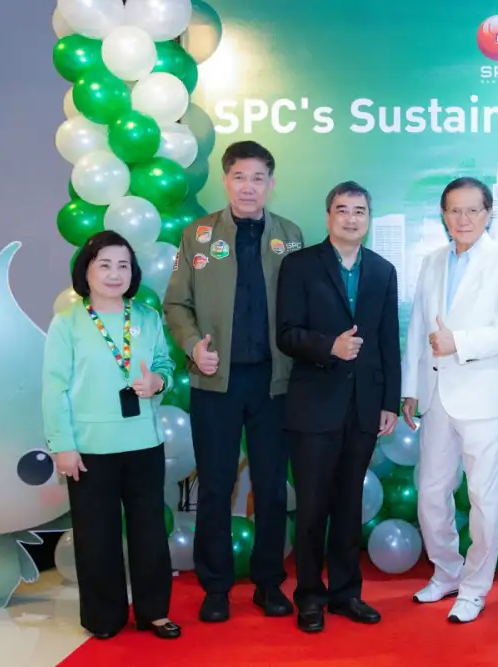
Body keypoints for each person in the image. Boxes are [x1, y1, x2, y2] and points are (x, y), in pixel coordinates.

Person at [162, 140, 303, 623]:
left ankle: (268, 583)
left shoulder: (290, 235)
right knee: (216, 486)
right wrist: (192, 345)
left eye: (258, 178)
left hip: (273, 383)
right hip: (215, 384)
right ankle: (216, 587)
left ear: (270, 184)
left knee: (272, 487)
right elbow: (176, 303)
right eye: (239, 177)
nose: (248, 187)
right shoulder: (197, 234)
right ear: (226, 180)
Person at [402, 176, 498, 624]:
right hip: (435, 395)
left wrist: (460, 341)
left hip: (483, 398)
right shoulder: (433, 261)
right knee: (431, 492)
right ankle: (447, 571)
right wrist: (410, 387)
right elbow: (418, 329)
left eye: (472, 210)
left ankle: (475, 588)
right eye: (454, 210)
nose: (463, 219)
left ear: (488, 213)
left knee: (482, 496)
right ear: (443, 215)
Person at [275, 181, 401, 633]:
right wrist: (330, 346)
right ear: (328, 216)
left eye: (359, 211)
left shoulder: (383, 270)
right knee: (312, 508)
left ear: (368, 218)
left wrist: (389, 401)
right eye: (342, 210)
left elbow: (388, 341)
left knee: (350, 506)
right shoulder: (299, 265)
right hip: (313, 407)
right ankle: (310, 595)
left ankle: (347, 594)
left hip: (364, 408)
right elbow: (286, 333)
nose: (351, 218)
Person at [42, 230, 180, 640]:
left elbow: (165, 365)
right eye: (104, 264)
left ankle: (154, 612)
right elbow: (54, 389)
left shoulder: (147, 318)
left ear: (133, 273)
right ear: (86, 271)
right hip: (89, 449)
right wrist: (62, 446)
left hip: (144, 444)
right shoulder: (68, 322)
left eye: (123, 265)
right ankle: (104, 617)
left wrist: (158, 381)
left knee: (149, 533)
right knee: (96, 537)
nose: (114, 273)